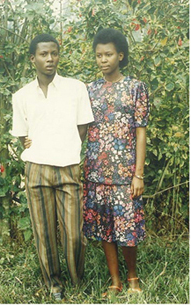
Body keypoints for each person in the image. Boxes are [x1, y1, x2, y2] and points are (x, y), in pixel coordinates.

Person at [11, 33, 94, 300]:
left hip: (68, 167)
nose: (50, 59)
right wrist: (39, 145)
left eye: (54, 53)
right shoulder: (21, 95)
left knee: (73, 234)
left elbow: (83, 126)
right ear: (32, 59)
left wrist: (65, 146)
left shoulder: (75, 88)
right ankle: (54, 283)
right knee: (44, 232)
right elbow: (23, 134)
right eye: (44, 54)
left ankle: (77, 279)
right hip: (36, 169)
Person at [83, 28, 150, 296]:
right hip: (97, 172)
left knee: (127, 227)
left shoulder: (136, 88)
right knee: (104, 227)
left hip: (125, 173)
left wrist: (139, 174)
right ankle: (114, 280)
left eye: (108, 54)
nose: (103, 59)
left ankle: (132, 277)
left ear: (120, 55)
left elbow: (141, 132)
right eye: (99, 55)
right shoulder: (89, 90)